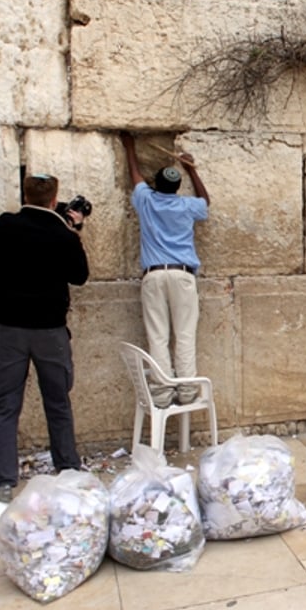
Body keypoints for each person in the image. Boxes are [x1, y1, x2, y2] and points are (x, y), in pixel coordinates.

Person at [0, 174, 89, 502]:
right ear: (54, 197)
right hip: (50, 331)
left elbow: (26, 222)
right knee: (57, 402)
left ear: (24, 194)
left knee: (5, 405)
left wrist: (57, 217)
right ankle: (68, 467)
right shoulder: (63, 235)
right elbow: (80, 276)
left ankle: (2, 482)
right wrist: (74, 228)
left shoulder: (6, 225)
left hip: (9, 330)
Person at [121, 132, 210, 407]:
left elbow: (134, 175)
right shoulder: (186, 205)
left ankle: (160, 396)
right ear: (177, 187)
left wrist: (130, 147)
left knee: (157, 336)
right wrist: (192, 170)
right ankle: (186, 393)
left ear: (155, 185)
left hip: (154, 274)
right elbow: (205, 202)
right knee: (184, 336)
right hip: (182, 275)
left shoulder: (146, 200)